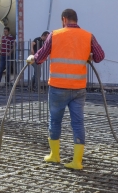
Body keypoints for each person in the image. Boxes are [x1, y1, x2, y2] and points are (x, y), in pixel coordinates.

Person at [27, 9, 105, 170]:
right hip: (78, 89)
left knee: (55, 121)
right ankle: (77, 162)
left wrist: (32, 58)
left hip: (58, 88)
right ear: (76, 20)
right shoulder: (88, 35)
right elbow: (100, 56)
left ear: (64, 19)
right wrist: (89, 55)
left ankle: (55, 156)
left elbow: (40, 58)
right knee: (78, 123)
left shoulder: (54, 35)